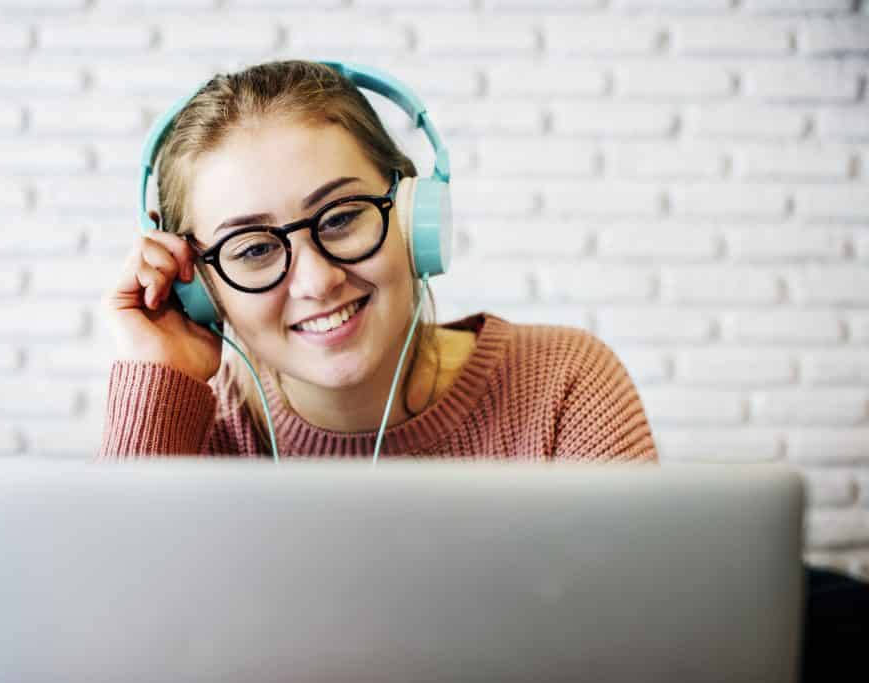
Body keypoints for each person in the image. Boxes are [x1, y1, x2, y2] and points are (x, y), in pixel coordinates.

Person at [96, 59, 657, 462]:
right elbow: (105, 622)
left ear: (413, 219)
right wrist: (157, 380)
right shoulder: (191, 440)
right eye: (256, 249)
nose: (316, 281)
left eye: (341, 217)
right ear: (201, 288)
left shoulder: (562, 385)